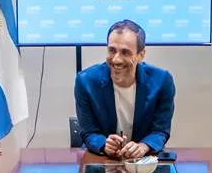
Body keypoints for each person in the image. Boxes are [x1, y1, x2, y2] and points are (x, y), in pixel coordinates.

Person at [74, 19, 176, 159]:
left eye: (125, 52)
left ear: (141, 55)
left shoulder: (162, 81)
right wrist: (104, 144)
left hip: (143, 162)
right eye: (112, 50)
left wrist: (143, 146)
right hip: (102, 159)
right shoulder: (85, 81)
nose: (116, 59)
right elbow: (88, 132)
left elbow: (160, 130)